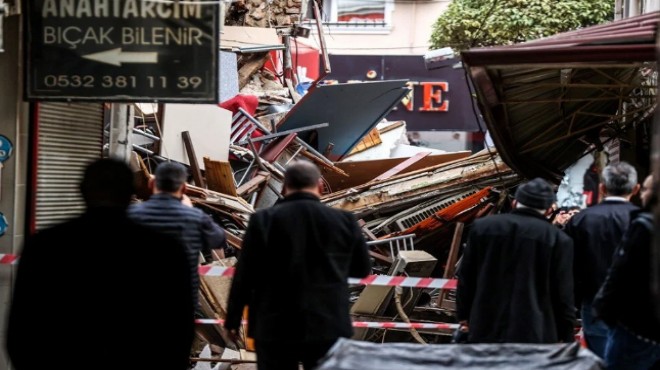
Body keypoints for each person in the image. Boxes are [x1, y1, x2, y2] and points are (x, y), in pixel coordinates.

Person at [6, 158, 195, 370]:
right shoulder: (166, 251)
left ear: (82, 190)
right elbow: (180, 329)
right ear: (131, 192)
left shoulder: (45, 246)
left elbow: (20, 330)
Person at [224, 161, 372, 370]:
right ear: (320, 186)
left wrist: (232, 320)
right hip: (327, 322)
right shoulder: (344, 220)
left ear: (284, 188)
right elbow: (362, 269)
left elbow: (245, 276)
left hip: (274, 324)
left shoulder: (263, 220)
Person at [456, 178, 575, 343]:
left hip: (485, 325)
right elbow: (563, 293)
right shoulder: (558, 240)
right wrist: (566, 334)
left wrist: (464, 315)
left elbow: (467, 277)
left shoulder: (483, 228)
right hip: (535, 331)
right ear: (549, 210)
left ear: (514, 203)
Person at [564, 161, 640, 358]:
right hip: (638, 307)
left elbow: (568, 267)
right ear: (636, 188)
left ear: (602, 188)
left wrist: (574, 302)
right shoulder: (646, 220)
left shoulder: (581, 220)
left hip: (594, 303)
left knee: (601, 357)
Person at [128, 161, 228, 308]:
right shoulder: (196, 218)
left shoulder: (131, 215)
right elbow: (219, 240)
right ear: (184, 188)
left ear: (151, 184)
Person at [592, 174, 660, 369]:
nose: (643, 195)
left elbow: (620, 273)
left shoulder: (644, 225)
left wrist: (603, 309)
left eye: (648, 190)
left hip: (637, 327)